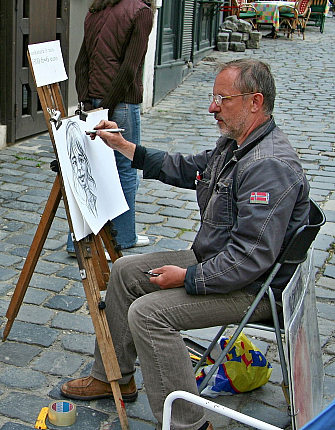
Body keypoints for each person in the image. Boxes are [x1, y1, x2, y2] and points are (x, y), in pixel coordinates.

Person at [60, 59, 310, 430]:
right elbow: (187, 167)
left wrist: (187, 277)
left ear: (255, 102)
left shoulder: (267, 164)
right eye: (213, 97)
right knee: (127, 270)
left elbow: (249, 259)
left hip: (253, 288)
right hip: (221, 262)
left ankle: (189, 425)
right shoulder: (237, 145)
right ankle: (114, 375)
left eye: (222, 99)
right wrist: (126, 147)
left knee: (148, 314)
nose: (212, 107)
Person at [67, 0, 157, 255]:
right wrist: (107, 107)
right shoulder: (141, 11)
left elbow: (81, 62)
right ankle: (123, 237)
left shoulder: (98, 8)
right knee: (126, 169)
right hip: (120, 104)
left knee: (88, 169)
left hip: (94, 100)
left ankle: (79, 241)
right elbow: (130, 68)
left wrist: (87, 101)